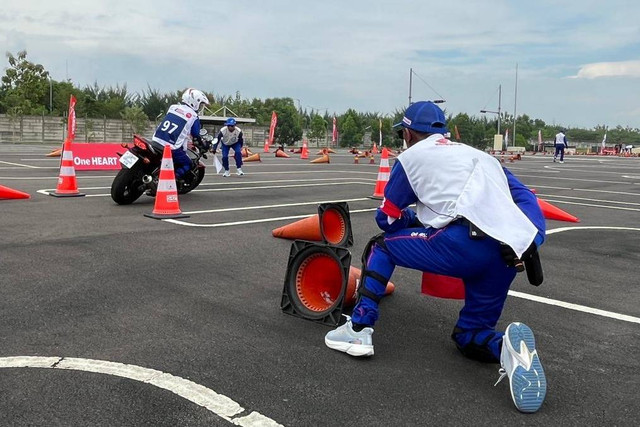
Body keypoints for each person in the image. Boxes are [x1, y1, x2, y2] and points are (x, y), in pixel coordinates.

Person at [324, 101, 547, 413]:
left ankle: (359, 330)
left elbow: (386, 220)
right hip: (504, 253)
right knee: (469, 337)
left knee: (382, 246)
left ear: (410, 133)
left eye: (403, 134)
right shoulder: (482, 157)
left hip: (461, 243)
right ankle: (508, 350)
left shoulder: (411, 158)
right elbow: (526, 197)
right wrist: (532, 238)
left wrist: (409, 222)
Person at [152, 88, 210, 179]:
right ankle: (170, 181)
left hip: (155, 140)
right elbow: (195, 134)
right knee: (187, 164)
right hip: (170, 146)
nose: (200, 107)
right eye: (200, 104)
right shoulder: (193, 116)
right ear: (194, 102)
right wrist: (203, 144)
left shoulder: (173, 107)